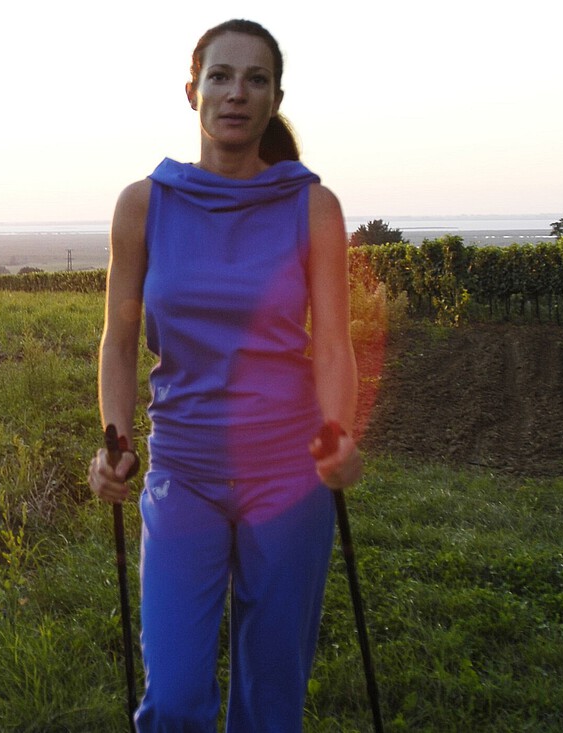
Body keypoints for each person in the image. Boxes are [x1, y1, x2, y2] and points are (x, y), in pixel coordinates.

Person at [88, 18, 364, 732]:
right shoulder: (144, 204)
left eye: (255, 79)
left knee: (271, 704)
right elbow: (119, 340)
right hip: (185, 473)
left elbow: (332, 346)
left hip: (289, 476)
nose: (236, 92)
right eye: (220, 75)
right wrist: (113, 439)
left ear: (275, 98)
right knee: (175, 698)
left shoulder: (314, 206)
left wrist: (339, 435)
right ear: (192, 91)